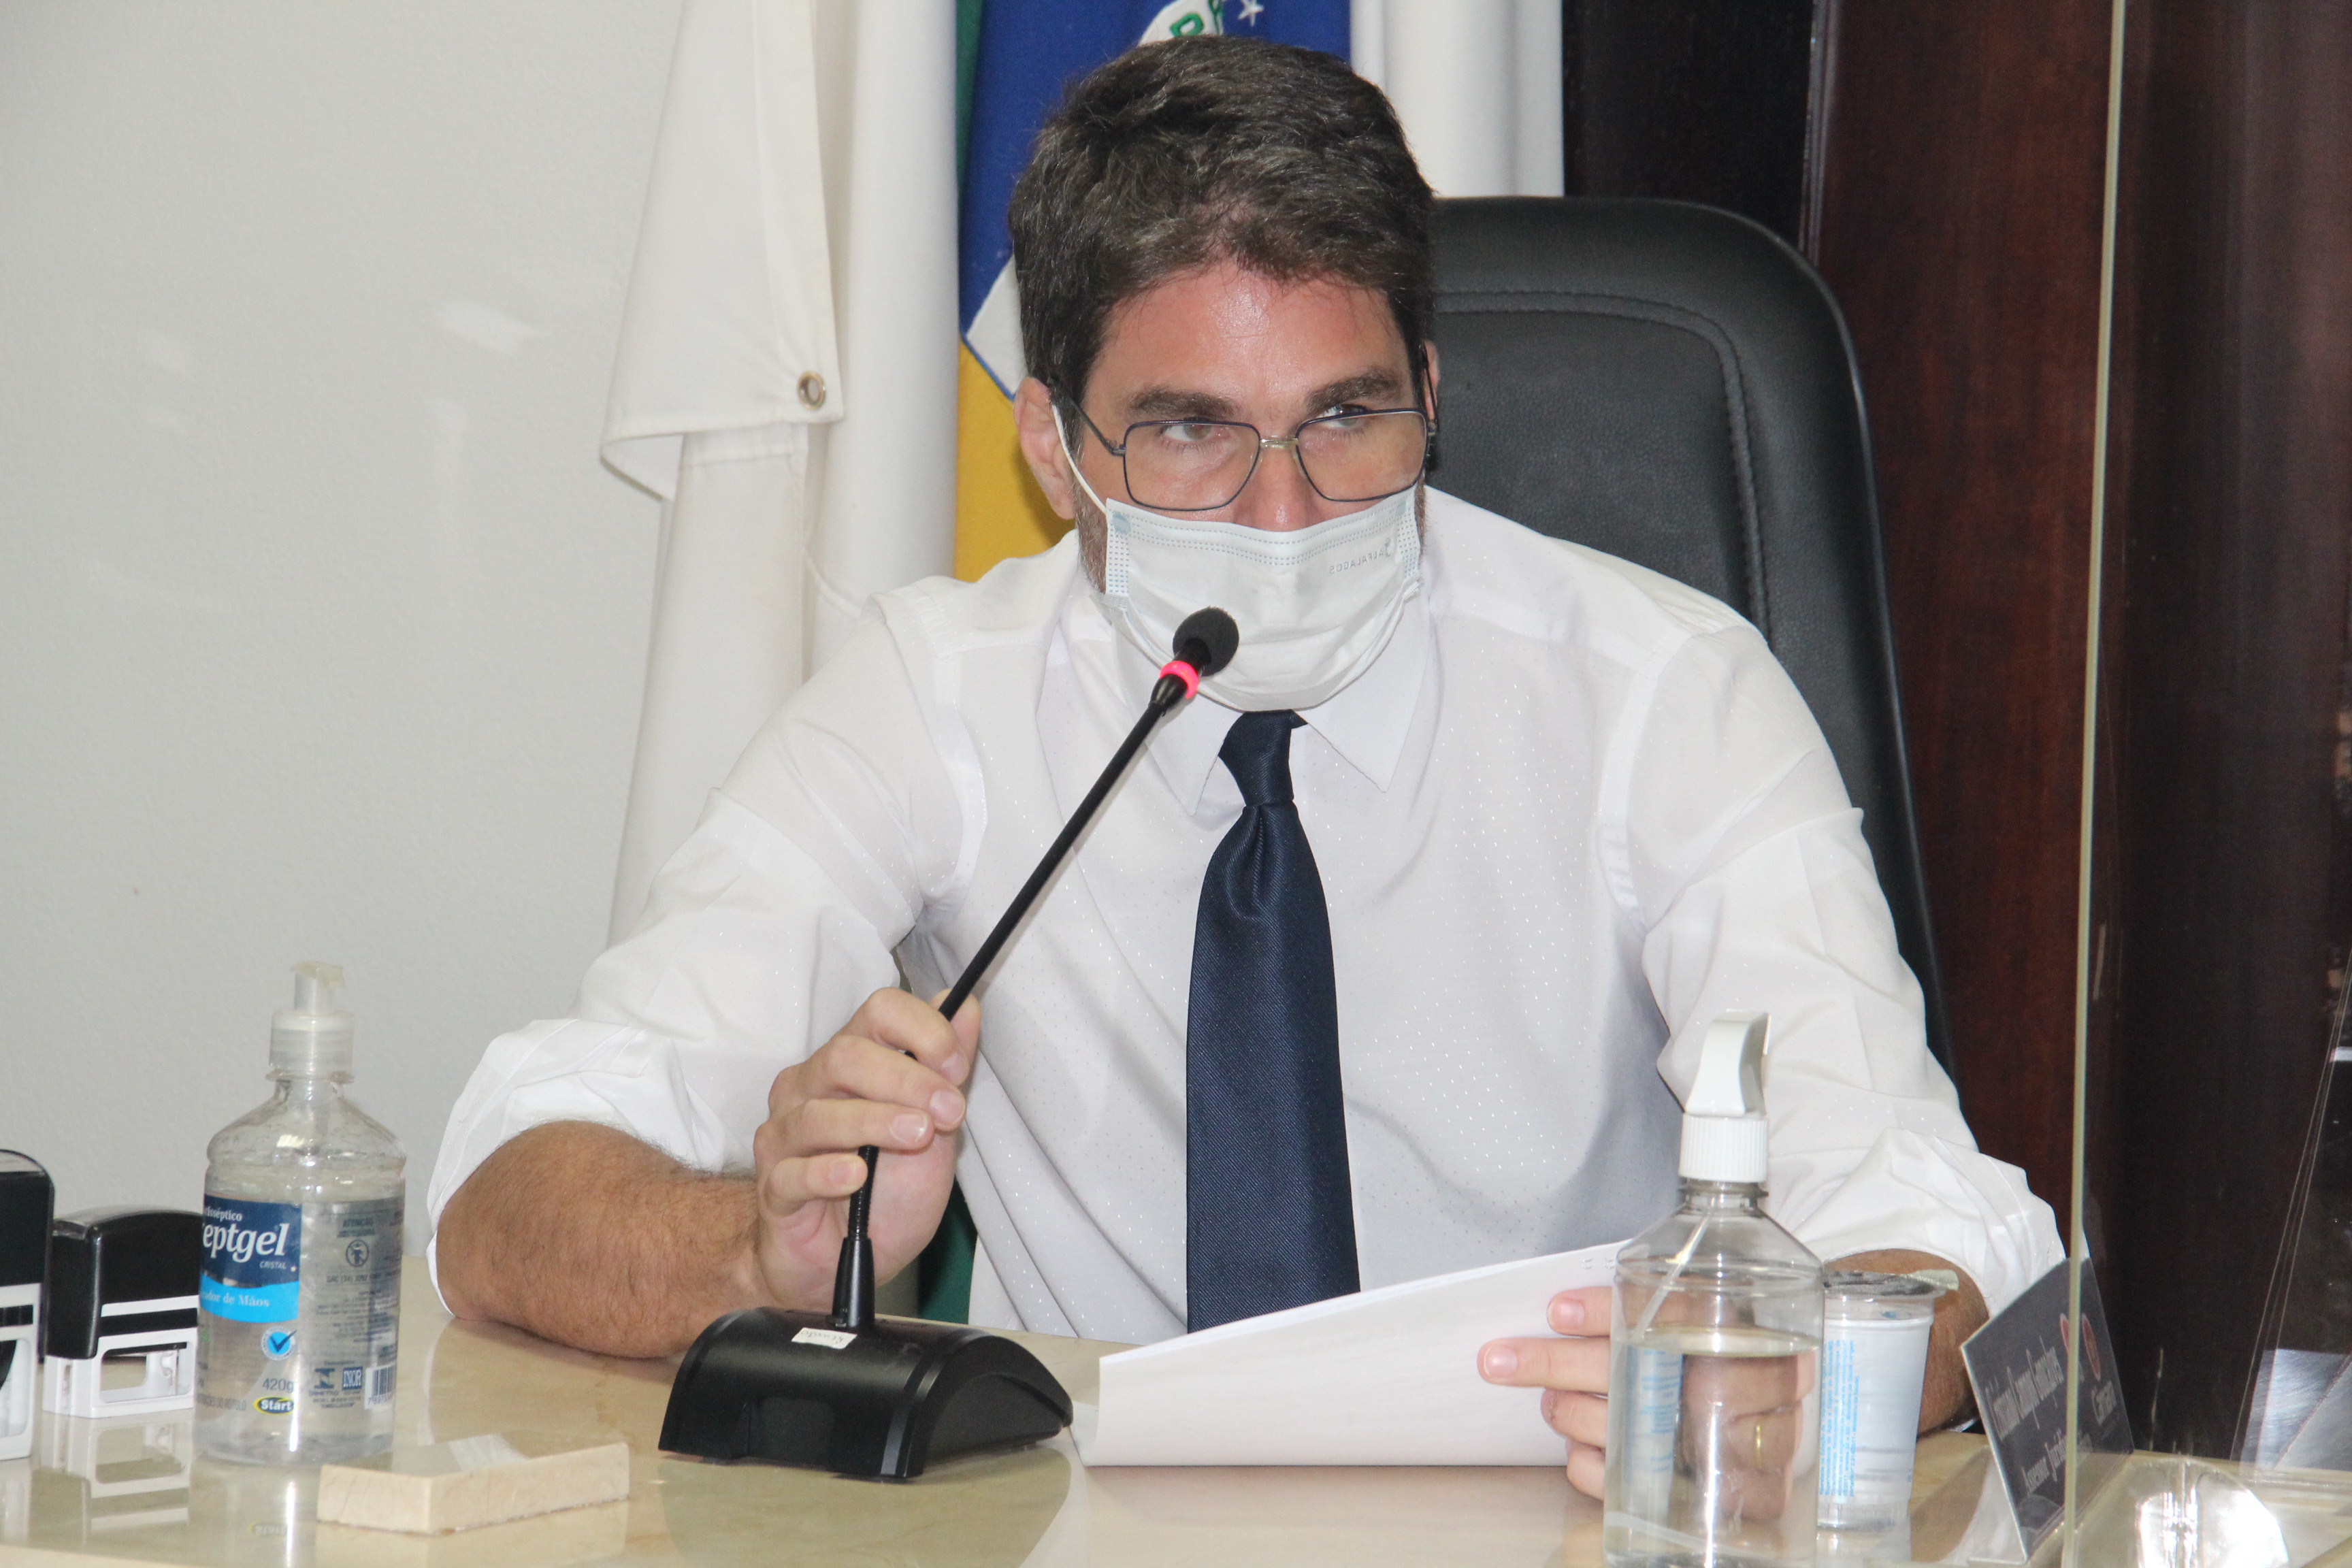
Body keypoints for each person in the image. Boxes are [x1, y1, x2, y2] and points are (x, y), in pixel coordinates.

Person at [430, 36, 2059, 1499]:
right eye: (1192, 431)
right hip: (1091, 1524)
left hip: (1561, 1506)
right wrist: (754, 1249)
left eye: (1347, 419)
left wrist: (1800, 1382)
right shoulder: (934, 699)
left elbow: (1933, 1220)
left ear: (1432, 394)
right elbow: (507, 1184)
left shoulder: (1665, 696)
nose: (1283, 516)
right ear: (1055, 447)